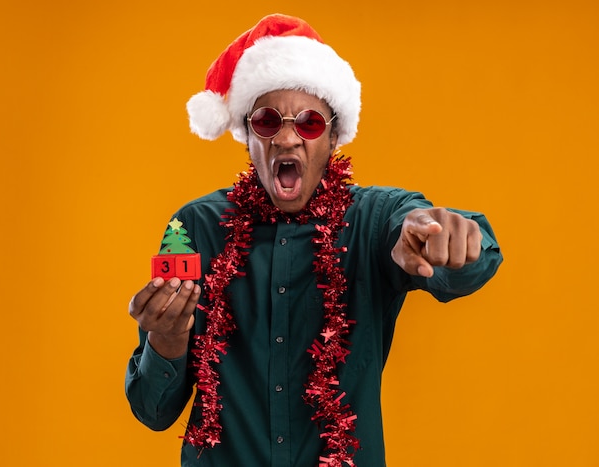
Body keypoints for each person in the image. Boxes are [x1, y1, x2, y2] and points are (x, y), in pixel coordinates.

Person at [125, 13, 502, 467]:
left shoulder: (375, 220)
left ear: (334, 136)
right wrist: (166, 339)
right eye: (267, 120)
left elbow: (456, 247)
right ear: (247, 136)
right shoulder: (195, 228)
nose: (286, 136)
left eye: (308, 123)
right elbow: (152, 410)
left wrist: (445, 240)